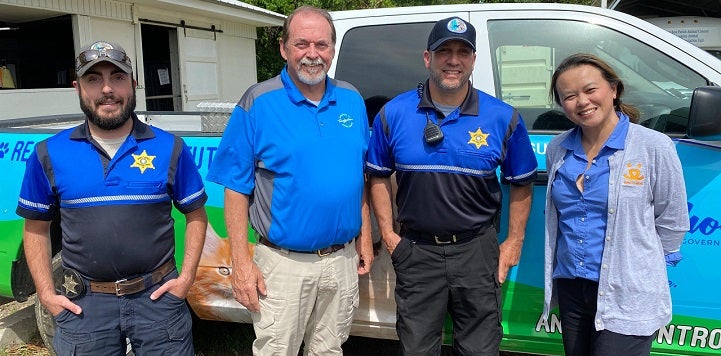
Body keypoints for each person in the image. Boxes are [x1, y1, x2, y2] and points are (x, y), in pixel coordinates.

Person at [17, 40, 208, 355]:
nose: (107, 89)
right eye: (94, 79)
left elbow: (196, 215)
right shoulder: (49, 153)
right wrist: (47, 295)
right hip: (85, 308)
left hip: (159, 301)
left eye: (117, 77)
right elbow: (35, 229)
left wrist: (186, 279)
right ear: (78, 88)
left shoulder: (169, 147)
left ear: (133, 85)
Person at [206, 6, 374, 356]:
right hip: (283, 266)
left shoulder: (352, 100)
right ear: (284, 49)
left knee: (329, 350)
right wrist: (241, 263)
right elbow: (236, 188)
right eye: (302, 44)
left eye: (322, 45)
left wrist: (365, 239)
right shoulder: (259, 102)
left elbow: (357, 178)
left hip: (341, 261)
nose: (313, 54)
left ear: (332, 49)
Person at [366, 17, 538, 355]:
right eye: (444, 51)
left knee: (479, 348)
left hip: (477, 251)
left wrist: (514, 241)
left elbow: (521, 184)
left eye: (463, 52)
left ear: (473, 61)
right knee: (416, 348)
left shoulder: (502, 116)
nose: (453, 60)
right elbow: (379, 176)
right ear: (427, 58)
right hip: (416, 251)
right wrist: (388, 234)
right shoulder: (394, 113)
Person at [541, 53, 689, 356]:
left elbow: (673, 221)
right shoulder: (558, 149)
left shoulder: (653, 146)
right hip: (572, 286)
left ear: (614, 89)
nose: (581, 101)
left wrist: (638, 268)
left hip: (627, 289)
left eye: (590, 90)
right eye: (569, 96)